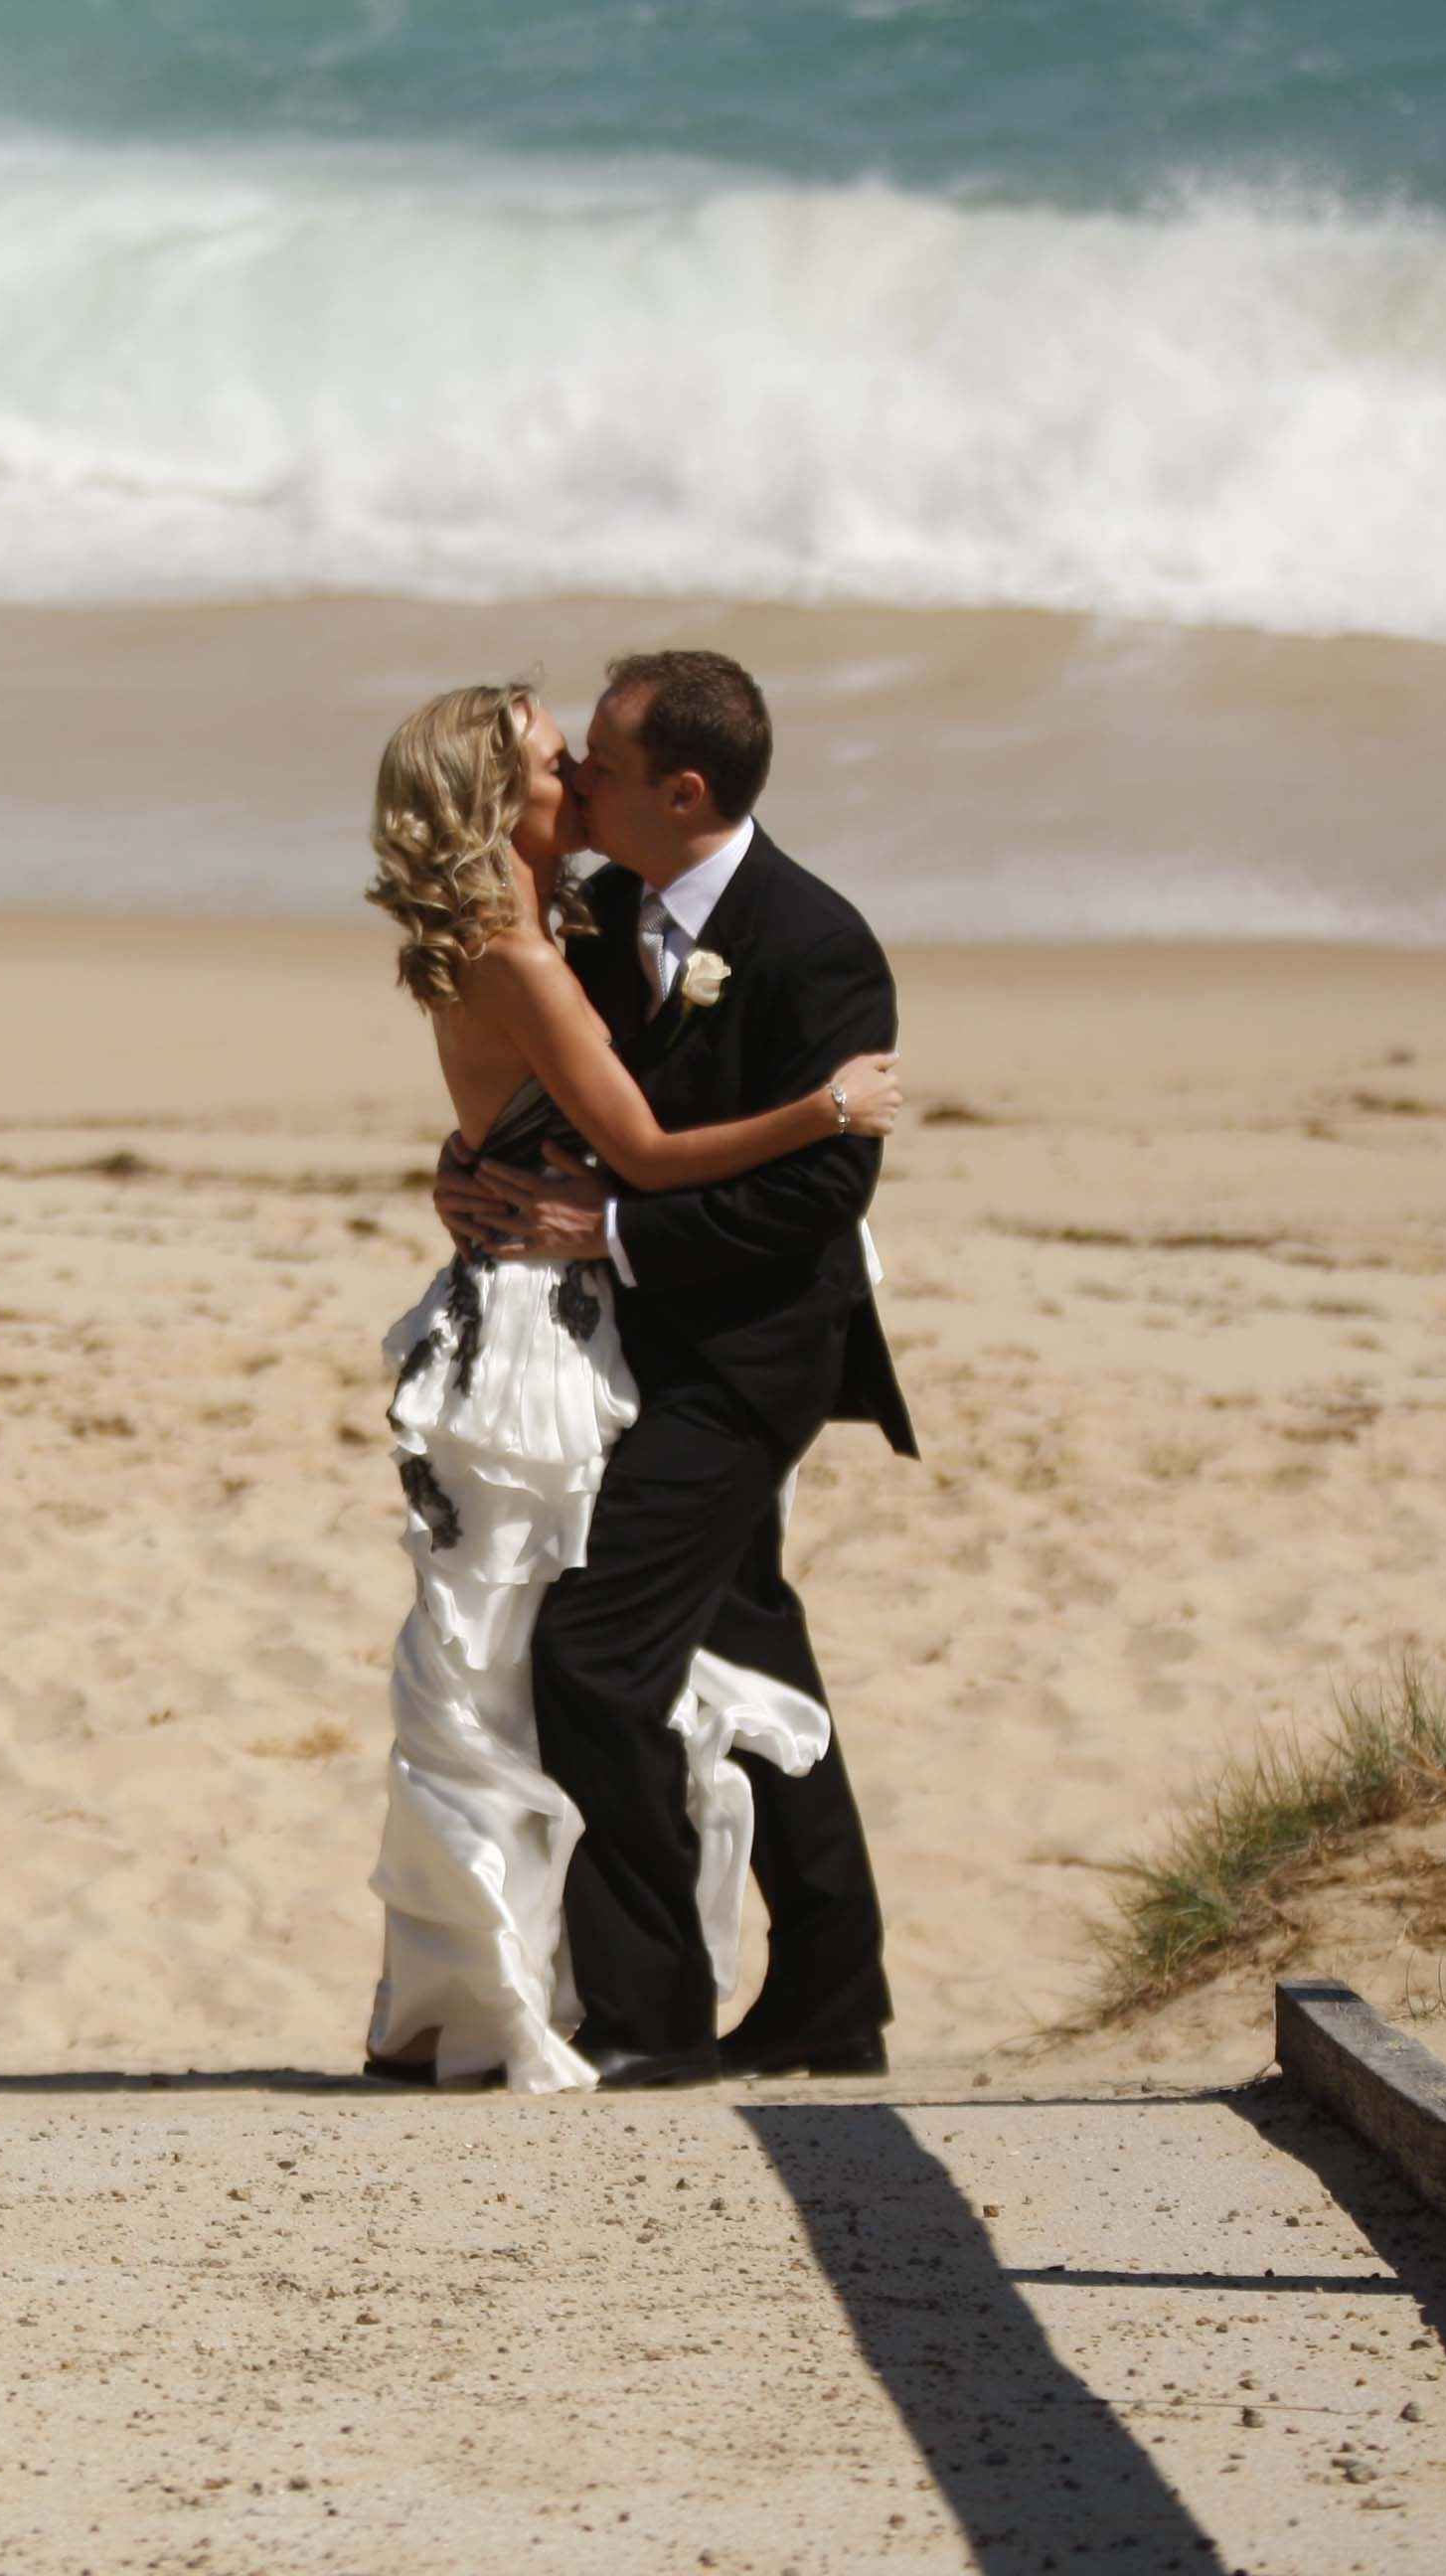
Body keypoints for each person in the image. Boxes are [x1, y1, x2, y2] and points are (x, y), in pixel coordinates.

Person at [360, 679, 900, 2092]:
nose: (584, 780)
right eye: (565, 764)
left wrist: (604, 1225)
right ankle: (832, 1997)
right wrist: (470, 1160)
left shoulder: (814, 940)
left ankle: (654, 2012)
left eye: (601, 763)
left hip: (751, 1354)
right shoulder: (588, 920)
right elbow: (543, 1086)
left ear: (680, 794)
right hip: (615, 1345)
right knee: (750, 1653)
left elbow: (822, 1192)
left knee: (597, 1658)